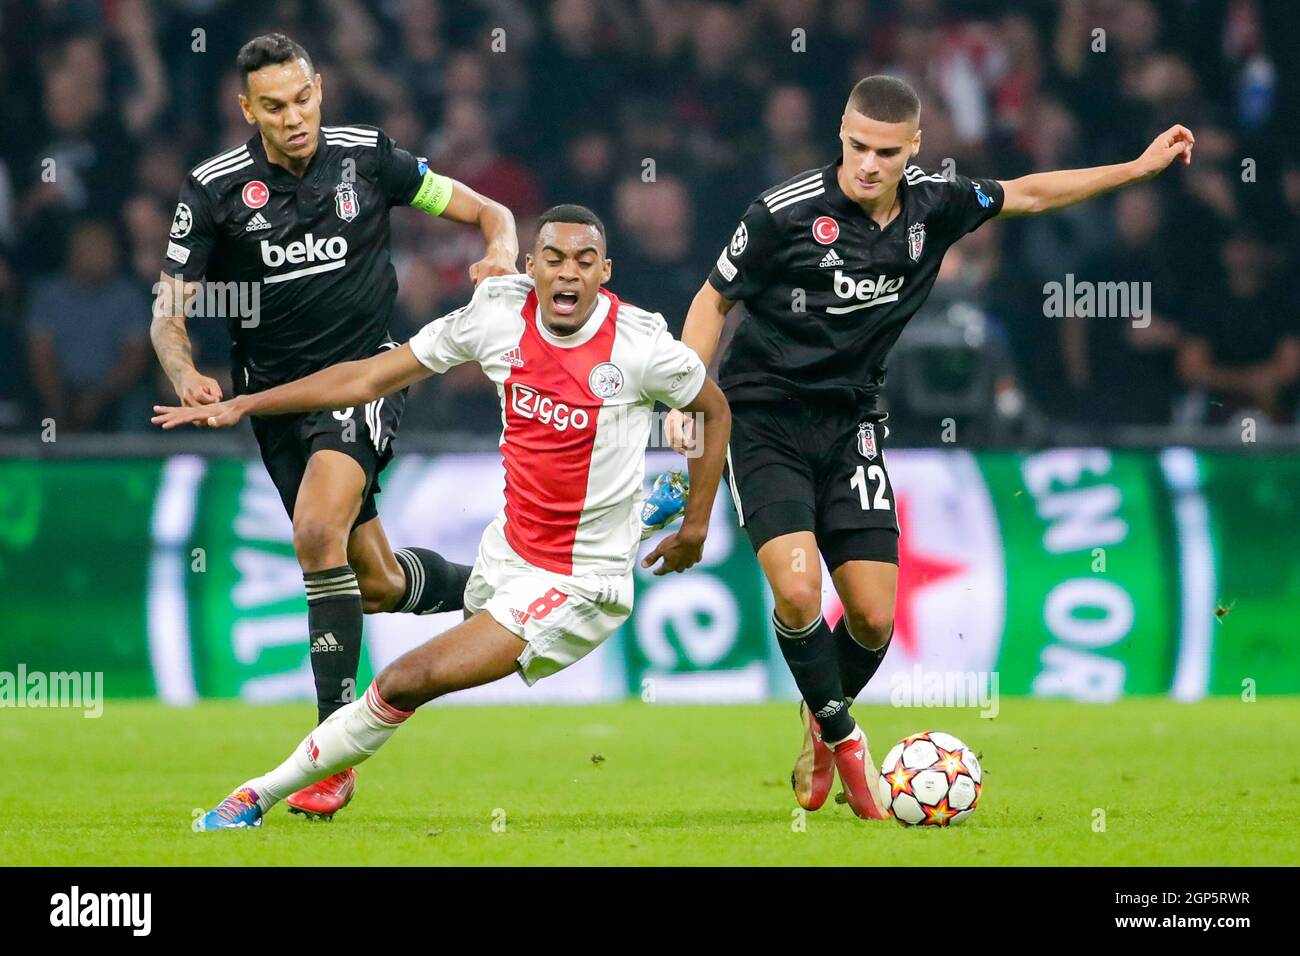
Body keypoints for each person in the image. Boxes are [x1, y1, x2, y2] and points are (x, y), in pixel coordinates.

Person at [667, 74, 1195, 820]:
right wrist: (691, 394)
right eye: (856, 147)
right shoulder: (781, 215)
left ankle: (819, 723)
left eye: (885, 151)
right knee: (796, 590)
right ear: (840, 138)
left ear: (913, 148)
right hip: (765, 419)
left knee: (875, 618)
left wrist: (1136, 170)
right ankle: (846, 739)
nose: (869, 164)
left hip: (851, 425)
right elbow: (709, 301)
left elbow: (1031, 193)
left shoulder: (935, 206)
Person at [152, 205, 731, 830]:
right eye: (555, 260)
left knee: (407, 678)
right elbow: (370, 376)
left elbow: (712, 411)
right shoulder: (497, 317)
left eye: (585, 262)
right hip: (510, 551)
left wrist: (697, 526)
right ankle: (641, 513)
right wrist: (248, 403)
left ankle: (257, 794)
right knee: (375, 588)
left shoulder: (640, 345)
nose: (569, 275)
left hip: (579, 585)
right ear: (532, 267)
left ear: (604, 272)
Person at [150, 33, 520, 820]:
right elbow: (168, 311)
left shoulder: (367, 160)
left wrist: (502, 248)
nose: (295, 118)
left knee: (318, 531)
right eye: (275, 107)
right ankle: (508, 590)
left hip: (368, 375)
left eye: (304, 98)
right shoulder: (214, 191)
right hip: (278, 404)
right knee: (377, 583)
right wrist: (185, 371)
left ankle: (331, 755)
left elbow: (485, 209)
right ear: (246, 110)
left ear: (321, 88)